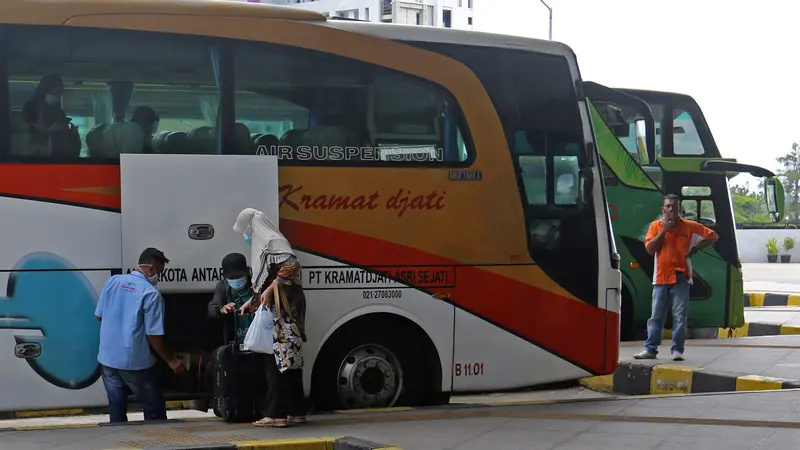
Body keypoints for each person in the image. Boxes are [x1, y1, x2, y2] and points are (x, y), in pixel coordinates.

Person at [232, 208, 307, 427]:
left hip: (281, 314)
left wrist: (273, 286)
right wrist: (252, 302)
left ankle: (276, 414)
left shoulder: (272, 241)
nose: (247, 237)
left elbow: (292, 265)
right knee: (290, 361)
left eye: (247, 232)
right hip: (284, 310)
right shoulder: (269, 243)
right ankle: (296, 411)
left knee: (274, 362)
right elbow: (266, 283)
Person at [95, 247, 185, 423]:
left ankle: (119, 442)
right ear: (150, 269)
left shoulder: (113, 282)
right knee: (153, 409)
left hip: (107, 359)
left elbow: (99, 315)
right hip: (134, 363)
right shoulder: (151, 294)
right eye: (159, 272)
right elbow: (154, 336)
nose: (158, 277)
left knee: (117, 410)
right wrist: (171, 360)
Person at [633, 194, 718, 361]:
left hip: (681, 278)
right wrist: (664, 230)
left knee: (679, 315)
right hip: (661, 278)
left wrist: (695, 248)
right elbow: (650, 249)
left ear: (680, 209)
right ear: (663, 209)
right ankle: (650, 349)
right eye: (668, 206)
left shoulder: (689, 226)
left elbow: (712, 235)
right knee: (656, 316)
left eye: (674, 206)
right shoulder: (655, 226)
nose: (671, 209)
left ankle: (677, 350)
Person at [22, 74, 81, 157]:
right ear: (45, 89)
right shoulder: (31, 107)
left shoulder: (59, 112)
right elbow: (26, 135)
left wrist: (73, 134)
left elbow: (69, 147)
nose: (57, 95)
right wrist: (49, 131)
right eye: (54, 91)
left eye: (60, 91)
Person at [207, 252, 255, 345]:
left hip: (257, 336)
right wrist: (221, 309)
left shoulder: (255, 283)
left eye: (238, 276)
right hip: (235, 338)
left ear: (246, 271)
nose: (235, 280)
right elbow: (211, 309)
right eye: (231, 277)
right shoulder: (223, 286)